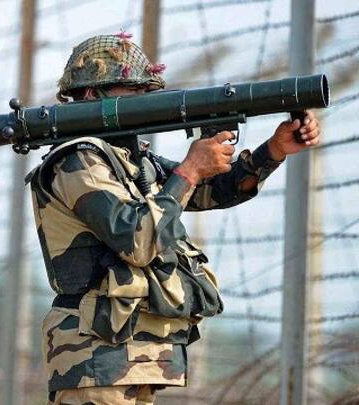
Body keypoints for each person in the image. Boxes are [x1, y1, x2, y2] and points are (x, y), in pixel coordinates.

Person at [27, 33, 321, 405]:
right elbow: (137, 240)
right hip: (94, 357)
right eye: (132, 90)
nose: (143, 99)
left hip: (135, 355)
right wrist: (190, 170)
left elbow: (207, 192)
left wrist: (274, 150)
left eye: (145, 91)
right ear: (91, 94)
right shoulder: (78, 160)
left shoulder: (130, 159)